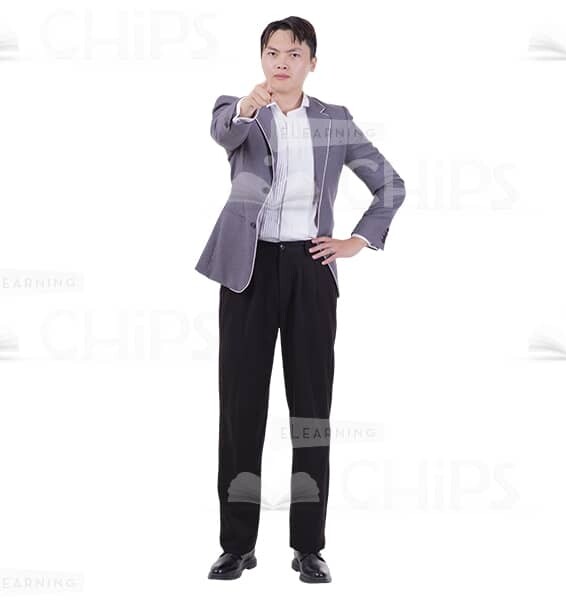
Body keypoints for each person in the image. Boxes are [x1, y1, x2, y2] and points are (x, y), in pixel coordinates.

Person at [197, 15, 406, 583]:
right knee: (241, 409)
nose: (282, 62)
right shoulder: (238, 112)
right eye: (272, 52)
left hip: (311, 268)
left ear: (312, 61)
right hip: (247, 270)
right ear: (262, 59)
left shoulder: (335, 121)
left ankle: (309, 546)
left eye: (293, 53)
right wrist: (247, 108)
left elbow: (390, 184)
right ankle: (237, 545)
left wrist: (357, 240)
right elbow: (223, 134)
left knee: (311, 412)